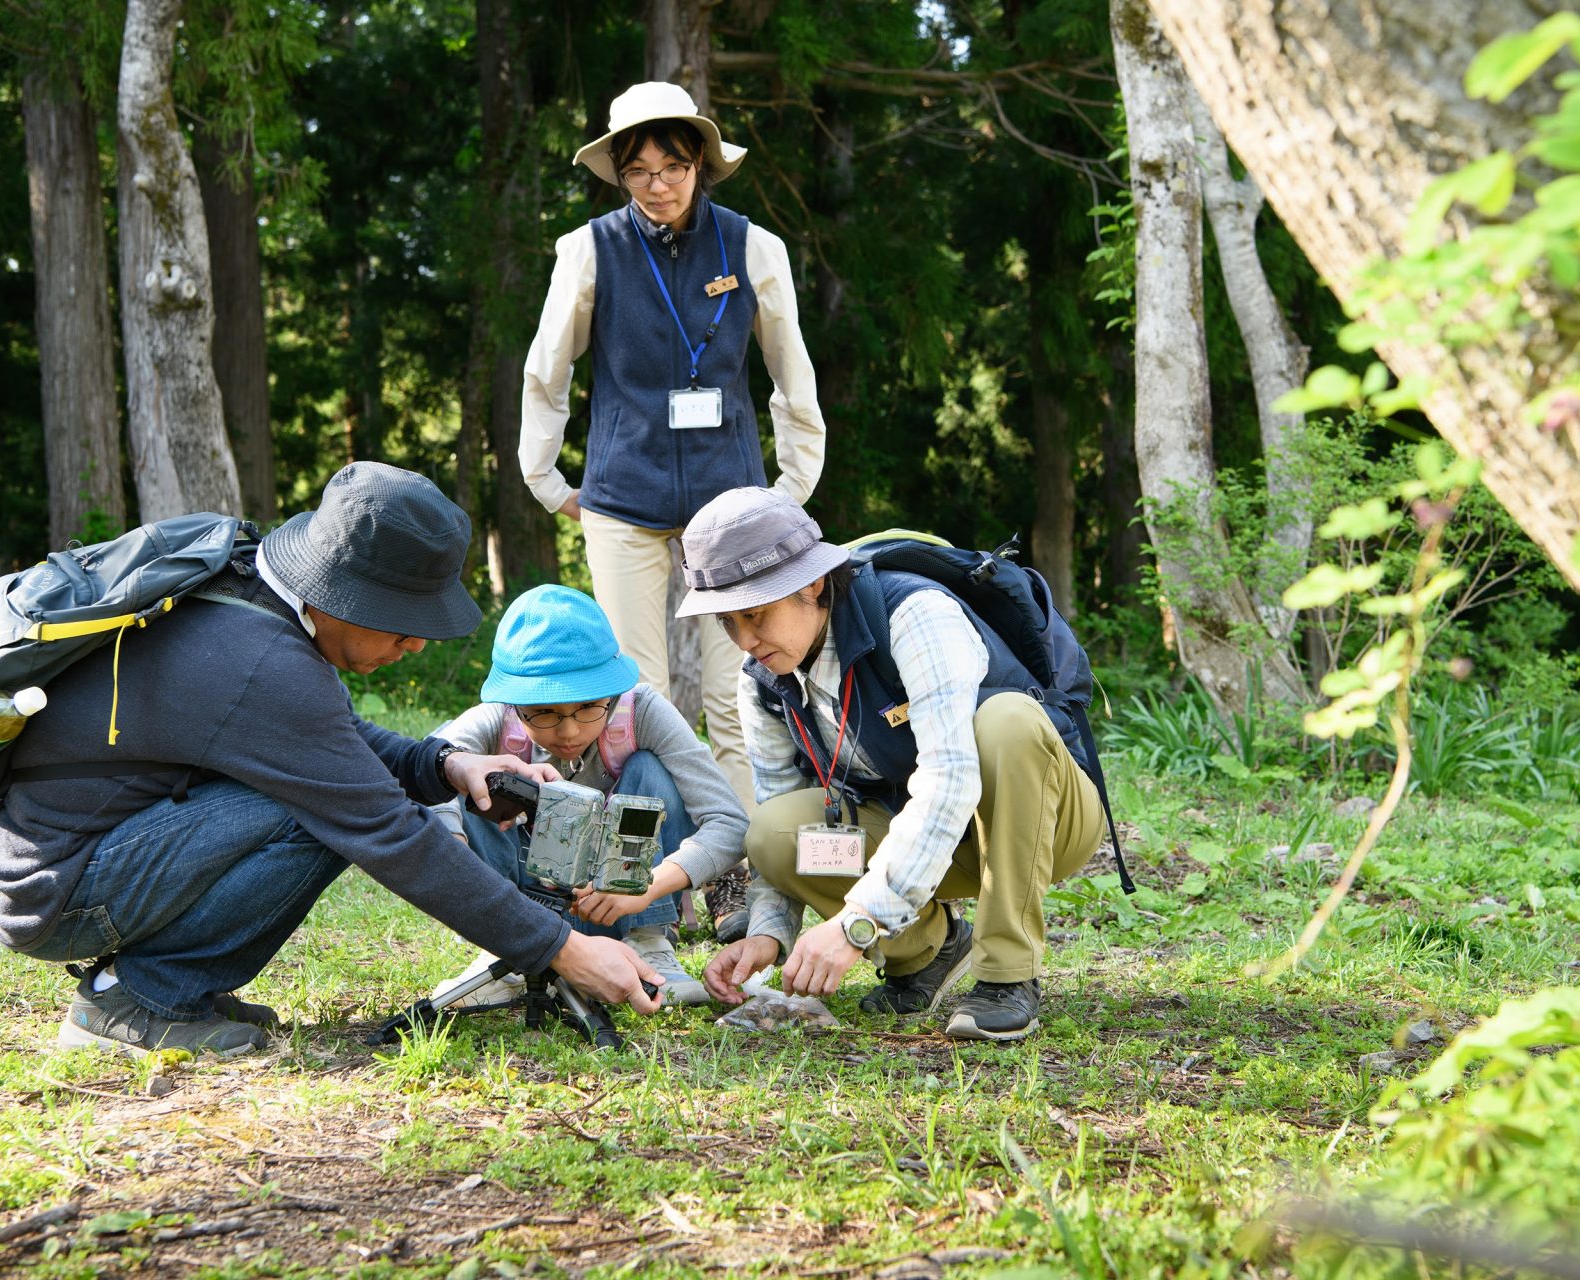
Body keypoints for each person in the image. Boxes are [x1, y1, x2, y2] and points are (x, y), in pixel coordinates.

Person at [0, 463, 663, 1056]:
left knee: (323, 794)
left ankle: (168, 984)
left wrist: (446, 765)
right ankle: (139, 1000)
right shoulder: (263, 663)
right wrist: (563, 949)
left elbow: (329, 733)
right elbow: (389, 832)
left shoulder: (237, 579)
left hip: (45, 859)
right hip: (56, 888)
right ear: (344, 596)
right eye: (404, 624)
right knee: (318, 813)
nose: (415, 647)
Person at [518, 80, 829, 943]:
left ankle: (740, 879)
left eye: (674, 166)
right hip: (622, 500)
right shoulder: (588, 250)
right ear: (620, 174)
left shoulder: (753, 247)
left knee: (739, 697)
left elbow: (789, 372)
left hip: (732, 511)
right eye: (640, 169)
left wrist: (792, 489)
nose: (659, 184)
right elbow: (548, 372)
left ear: (702, 166)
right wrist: (546, 481)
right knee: (634, 699)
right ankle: (643, 886)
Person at [682, 489, 1107, 1042]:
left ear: (812, 584)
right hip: (924, 838)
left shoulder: (914, 614)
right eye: (727, 622)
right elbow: (779, 802)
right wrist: (768, 935)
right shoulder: (761, 679)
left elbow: (949, 782)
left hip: (1045, 820)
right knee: (775, 832)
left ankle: (1008, 973)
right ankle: (926, 947)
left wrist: (856, 925)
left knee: (1006, 721)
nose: (745, 639)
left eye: (756, 614)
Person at [427, 585, 749, 1009]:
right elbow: (426, 771)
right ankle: (505, 949)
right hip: (528, 905)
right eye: (543, 712)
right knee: (470, 778)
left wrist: (648, 888)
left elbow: (729, 823)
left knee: (650, 769)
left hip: (626, 900)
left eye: (588, 707)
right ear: (514, 701)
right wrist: (458, 860)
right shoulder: (494, 722)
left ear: (614, 695)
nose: (569, 731)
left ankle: (649, 943)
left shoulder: (643, 713)